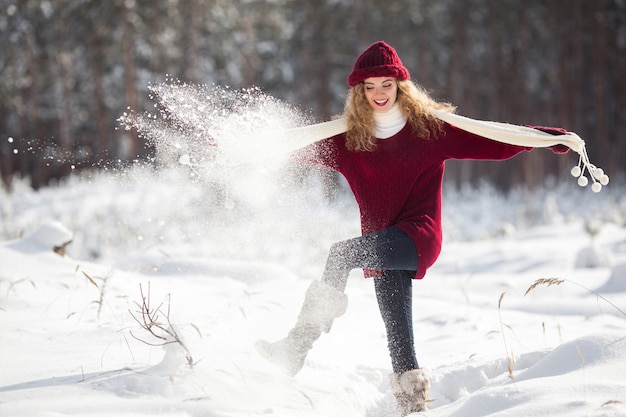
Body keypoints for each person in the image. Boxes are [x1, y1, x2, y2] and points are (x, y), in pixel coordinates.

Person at [255, 41, 571, 416]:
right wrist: (235, 145)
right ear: (358, 93)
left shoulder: (429, 131)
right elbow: (293, 146)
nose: (378, 94)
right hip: (385, 244)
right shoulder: (348, 142)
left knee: (341, 254)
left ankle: (295, 348)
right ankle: (413, 404)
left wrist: (542, 137)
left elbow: (489, 139)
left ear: (400, 85)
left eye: (385, 84)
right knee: (397, 334)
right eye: (369, 87)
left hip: (418, 236)